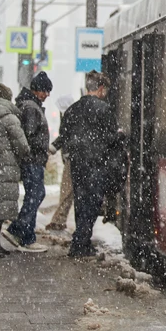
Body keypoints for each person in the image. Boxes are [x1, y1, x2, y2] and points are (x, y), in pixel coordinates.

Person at [59, 71, 121, 258]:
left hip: (78, 163)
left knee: (81, 201)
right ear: (101, 89)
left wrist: (72, 151)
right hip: (97, 163)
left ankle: (82, 241)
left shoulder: (73, 109)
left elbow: (65, 134)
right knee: (92, 203)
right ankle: (80, 242)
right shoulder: (104, 109)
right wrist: (119, 136)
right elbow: (110, 138)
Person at [3, 71, 52, 253]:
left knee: (35, 194)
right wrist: (39, 148)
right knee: (36, 194)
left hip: (33, 159)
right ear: (37, 89)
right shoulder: (31, 107)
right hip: (33, 160)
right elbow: (29, 136)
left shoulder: (28, 104)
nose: (47, 95)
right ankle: (17, 230)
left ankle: (28, 238)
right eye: (45, 91)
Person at [0, 84, 30, 258]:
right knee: (1, 203)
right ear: (8, 98)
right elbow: (22, 146)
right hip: (5, 167)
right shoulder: (10, 119)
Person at [46, 94, 76, 232]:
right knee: (69, 191)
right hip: (73, 158)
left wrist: (52, 148)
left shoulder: (69, 117)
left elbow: (64, 137)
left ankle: (58, 220)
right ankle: (59, 219)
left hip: (72, 159)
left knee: (66, 189)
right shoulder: (73, 115)